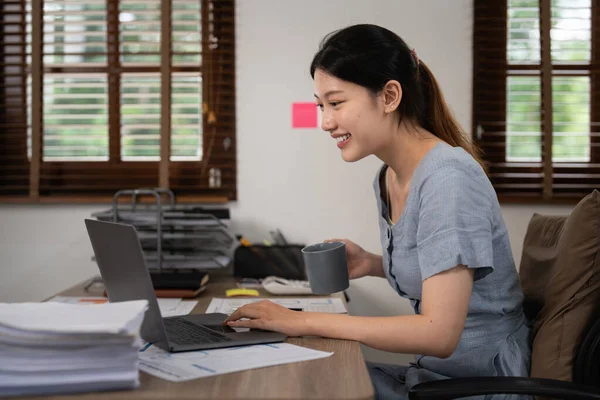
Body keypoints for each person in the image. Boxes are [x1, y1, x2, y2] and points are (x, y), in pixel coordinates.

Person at [223, 24, 531, 400]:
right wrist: (372, 263)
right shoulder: (388, 177)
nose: (325, 122)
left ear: (389, 96)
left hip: (480, 385)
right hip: (435, 376)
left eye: (336, 103)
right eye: (321, 106)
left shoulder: (448, 181)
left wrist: (300, 321)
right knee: (298, 375)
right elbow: (447, 276)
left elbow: (438, 333)